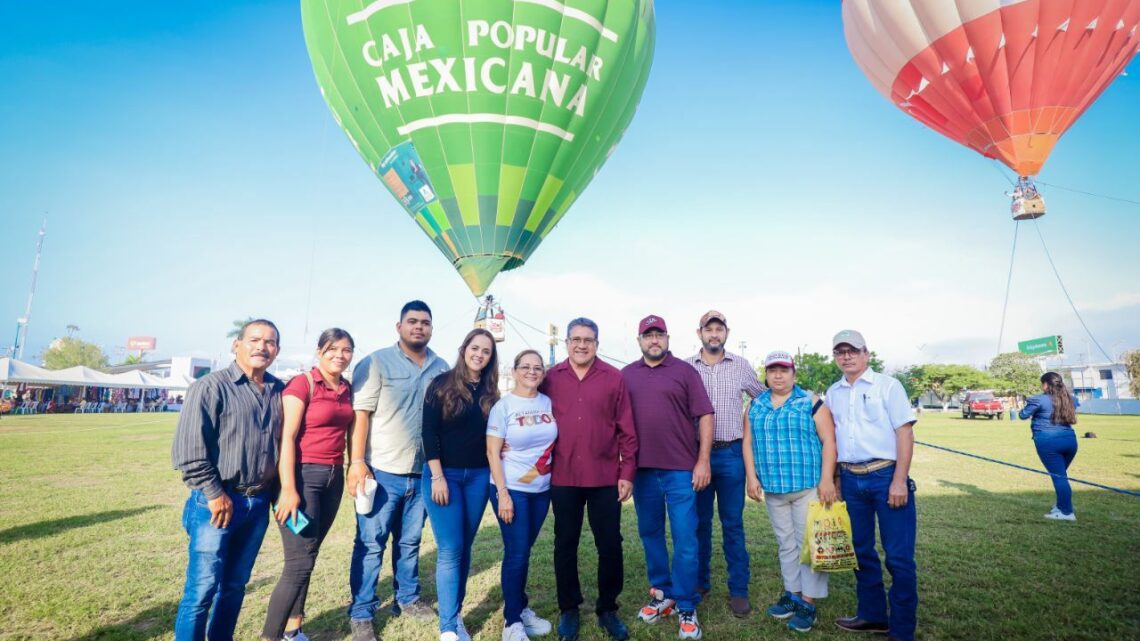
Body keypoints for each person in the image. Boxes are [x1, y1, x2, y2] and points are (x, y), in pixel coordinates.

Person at [171, 319, 285, 641]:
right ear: (237, 345)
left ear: (277, 350)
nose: (262, 347)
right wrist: (214, 492)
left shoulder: (278, 391)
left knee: (234, 587)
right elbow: (189, 450)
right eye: (255, 339)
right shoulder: (210, 387)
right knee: (202, 590)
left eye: (270, 342)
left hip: (258, 503)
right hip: (217, 503)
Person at [346, 301, 449, 641]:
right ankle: (362, 611)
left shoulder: (442, 367)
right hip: (382, 471)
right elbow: (360, 414)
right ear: (399, 326)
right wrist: (357, 462)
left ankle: (407, 598)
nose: (419, 327)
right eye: (412, 321)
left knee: (410, 541)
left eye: (425, 323)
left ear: (431, 328)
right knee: (371, 543)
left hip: (422, 473)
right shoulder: (375, 362)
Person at [539, 318, 638, 641]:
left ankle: (608, 607)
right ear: (566, 342)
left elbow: (627, 430)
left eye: (589, 340)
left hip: (605, 476)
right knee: (564, 544)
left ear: (597, 343)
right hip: (563, 476)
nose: (582, 345)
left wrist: (627, 473)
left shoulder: (613, 378)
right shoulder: (550, 378)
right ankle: (569, 608)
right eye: (576, 339)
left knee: (610, 544)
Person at [622, 315, 714, 641]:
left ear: (668, 338)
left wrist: (703, 461)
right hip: (643, 471)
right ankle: (662, 593)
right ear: (639, 341)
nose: (654, 340)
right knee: (650, 534)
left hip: (681, 470)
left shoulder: (685, 372)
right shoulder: (627, 375)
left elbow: (705, 415)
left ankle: (686, 604)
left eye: (659, 334)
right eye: (648, 335)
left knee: (686, 538)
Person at [261, 328, 356, 641]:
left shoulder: (346, 388)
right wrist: (288, 488)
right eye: (333, 349)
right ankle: (270, 637)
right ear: (319, 351)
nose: (339, 356)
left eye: (346, 350)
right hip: (302, 479)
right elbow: (286, 438)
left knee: (308, 556)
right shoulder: (302, 384)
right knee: (297, 564)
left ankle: (293, 631)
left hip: (332, 479)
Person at [825, 330, 917, 641]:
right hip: (851, 479)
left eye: (852, 350)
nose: (846, 356)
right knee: (861, 551)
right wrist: (837, 479)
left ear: (866, 353)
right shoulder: (833, 392)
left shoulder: (888, 386)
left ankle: (902, 630)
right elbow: (833, 440)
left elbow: (904, 433)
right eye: (840, 352)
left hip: (885, 477)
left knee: (898, 558)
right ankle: (873, 616)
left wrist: (900, 481)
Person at [742, 351, 838, 633]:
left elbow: (829, 440)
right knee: (786, 544)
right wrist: (751, 477)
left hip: (807, 485)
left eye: (784, 370)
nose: (778, 375)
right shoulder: (755, 405)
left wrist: (827, 479)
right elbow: (747, 443)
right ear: (766, 375)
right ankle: (793, 593)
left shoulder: (810, 402)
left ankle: (808, 602)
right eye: (772, 370)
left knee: (809, 544)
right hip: (773, 488)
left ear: (794, 374)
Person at [684, 310, 764, 617]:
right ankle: (700, 583)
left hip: (731, 455)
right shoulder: (686, 367)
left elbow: (763, 396)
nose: (714, 334)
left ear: (726, 333)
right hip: (697, 457)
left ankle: (739, 590)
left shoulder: (741, 365)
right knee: (699, 524)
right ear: (699, 333)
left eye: (719, 330)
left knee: (733, 525)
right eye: (709, 329)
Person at [422, 329, 500, 641]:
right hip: (444, 476)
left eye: (486, 351)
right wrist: (438, 476)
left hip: (478, 478)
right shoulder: (440, 385)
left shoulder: (491, 391)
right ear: (464, 348)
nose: (480, 354)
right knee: (451, 548)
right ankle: (447, 627)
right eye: (475, 348)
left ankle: (456, 615)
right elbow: (429, 433)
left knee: (465, 547)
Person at [487, 350, 559, 641]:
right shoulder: (503, 407)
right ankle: (511, 623)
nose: (531, 372)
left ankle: (519, 605)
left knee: (523, 552)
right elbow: (493, 451)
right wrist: (503, 494)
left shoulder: (548, 402)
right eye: (525, 367)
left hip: (541, 491)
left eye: (537, 368)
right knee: (516, 554)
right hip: (512, 489)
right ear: (514, 370)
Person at [1019, 371, 1080, 521]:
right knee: (1061, 476)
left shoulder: (1039, 400)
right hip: (1070, 441)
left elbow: (1022, 415)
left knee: (1059, 477)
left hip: (1049, 442)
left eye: (1042, 384)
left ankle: (1066, 512)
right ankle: (1061, 506)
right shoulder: (1070, 399)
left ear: (1046, 385)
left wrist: (1028, 404)